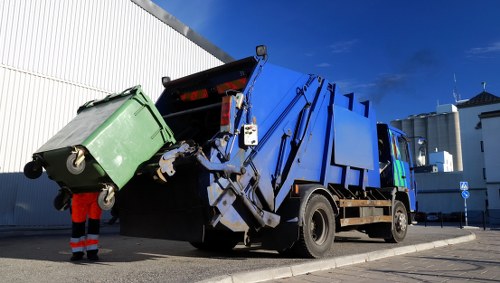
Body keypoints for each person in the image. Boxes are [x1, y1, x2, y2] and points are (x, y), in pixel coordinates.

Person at [69, 192, 102, 261]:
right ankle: (78, 252)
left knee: (94, 222)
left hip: (95, 195)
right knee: (78, 223)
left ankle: (91, 251)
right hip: (80, 196)